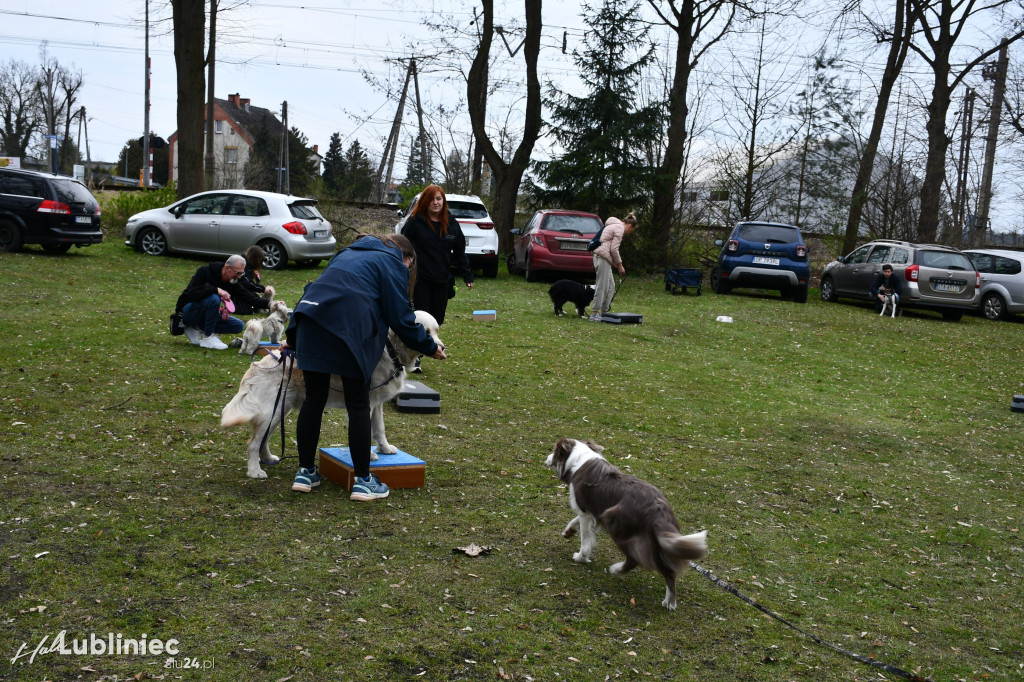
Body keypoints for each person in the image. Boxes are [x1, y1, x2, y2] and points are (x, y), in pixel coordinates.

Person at [282, 233, 447, 501]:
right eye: (411, 266)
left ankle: (305, 473)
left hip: (309, 324)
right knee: (359, 403)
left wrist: (292, 338)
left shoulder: (346, 253)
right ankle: (363, 481)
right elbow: (402, 319)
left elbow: (313, 292)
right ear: (408, 258)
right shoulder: (393, 264)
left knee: (314, 399)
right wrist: (429, 346)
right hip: (351, 330)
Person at [400, 185, 473, 372]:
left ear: (443, 201)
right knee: (421, 317)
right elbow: (401, 245)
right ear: (425, 201)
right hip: (420, 277)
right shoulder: (416, 222)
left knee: (436, 319)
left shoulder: (451, 222)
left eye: (439, 199)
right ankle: (415, 358)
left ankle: (426, 347)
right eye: (432, 199)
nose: (436, 202)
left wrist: (467, 274)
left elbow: (459, 251)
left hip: (442, 279)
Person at [175, 255, 273, 349]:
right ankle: (208, 337)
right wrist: (216, 290)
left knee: (238, 325)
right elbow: (192, 294)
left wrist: (269, 304)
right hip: (187, 312)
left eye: (241, 274)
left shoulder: (232, 282)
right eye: (237, 273)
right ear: (227, 268)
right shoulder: (204, 271)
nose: (239, 277)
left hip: (206, 314)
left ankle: (197, 327)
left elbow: (248, 297)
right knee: (214, 298)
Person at [590, 213, 638, 322]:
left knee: (611, 285)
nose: (629, 233)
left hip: (604, 257)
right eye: (631, 231)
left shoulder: (615, 226)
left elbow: (609, 246)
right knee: (602, 286)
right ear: (630, 226)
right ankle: (594, 313)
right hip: (601, 257)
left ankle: (605, 312)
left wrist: (614, 261)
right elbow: (614, 249)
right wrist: (620, 265)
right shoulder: (619, 228)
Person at [234, 245, 272, 315]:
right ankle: (269, 306)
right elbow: (247, 283)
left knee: (256, 298)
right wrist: (263, 289)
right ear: (255, 258)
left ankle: (266, 306)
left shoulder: (248, 265)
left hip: (242, 289)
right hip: (236, 292)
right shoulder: (243, 264)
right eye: (259, 260)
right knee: (248, 307)